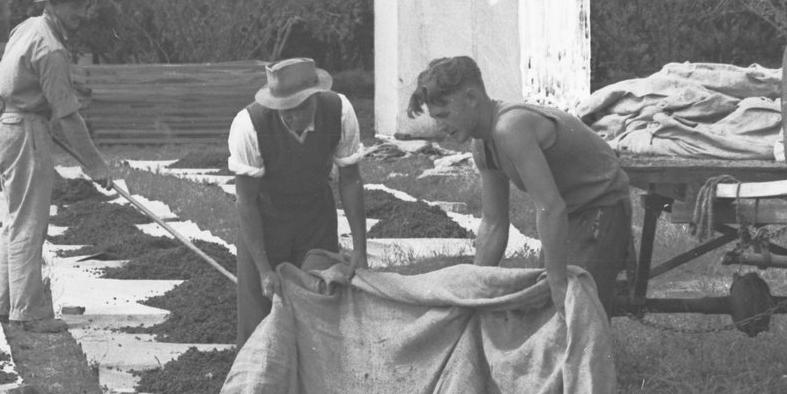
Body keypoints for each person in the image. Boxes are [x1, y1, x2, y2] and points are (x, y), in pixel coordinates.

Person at [408, 55, 632, 316]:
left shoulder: (510, 127)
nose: (439, 126)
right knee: (540, 308)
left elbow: (550, 207)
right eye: (435, 118)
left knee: (572, 309)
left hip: (602, 207)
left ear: (471, 98)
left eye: (444, 115)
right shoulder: (481, 145)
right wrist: (474, 289)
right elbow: (493, 223)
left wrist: (557, 282)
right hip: (567, 215)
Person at [0, 0, 123, 333]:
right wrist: (96, 165)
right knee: (30, 223)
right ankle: (28, 312)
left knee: (15, 220)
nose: (82, 13)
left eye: (83, 5)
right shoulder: (52, 50)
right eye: (75, 6)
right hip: (23, 130)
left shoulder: (28, 28)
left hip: (7, 125)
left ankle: (2, 306)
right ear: (56, 5)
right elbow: (69, 117)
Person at [229, 57, 368, 344]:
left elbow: (350, 180)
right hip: (265, 220)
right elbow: (245, 201)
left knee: (320, 305)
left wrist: (359, 249)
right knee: (259, 322)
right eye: (281, 109)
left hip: (316, 216)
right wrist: (264, 269)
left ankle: (316, 385)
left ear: (314, 98)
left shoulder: (339, 111)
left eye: (295, 109)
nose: (286, 116)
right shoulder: (248, 125)